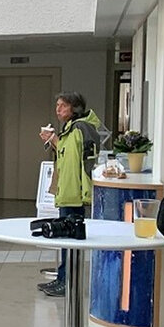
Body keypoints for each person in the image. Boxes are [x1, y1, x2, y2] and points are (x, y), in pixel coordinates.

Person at [37, 91, 103, 298]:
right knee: (66, 238)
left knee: (70, 240)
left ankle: (67, 282)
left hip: (73, 192)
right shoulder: (73, 127)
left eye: (63, 106)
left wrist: (54, 140)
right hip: (69, 190)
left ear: (74, 108)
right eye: (57, 105)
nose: (58, 110)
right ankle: (62, 278)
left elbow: (73, 161)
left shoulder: (78, 128)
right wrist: (53, 140)